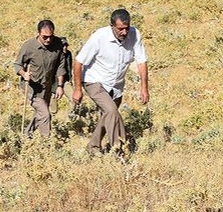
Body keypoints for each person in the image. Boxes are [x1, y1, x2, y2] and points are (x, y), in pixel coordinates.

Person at [73, 9, 149, 155]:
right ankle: (120, 151)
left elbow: (141, 61)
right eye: (120, 29)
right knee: (112, 111)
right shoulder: (99, 37)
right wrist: (78, 89)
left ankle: (93, 147)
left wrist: (144, 88)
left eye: (127, 28)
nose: (124, 32)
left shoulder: (135, 34)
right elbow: (78, 62)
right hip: (94, 81)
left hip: (116, 85)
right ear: (112, 26)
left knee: (108, 115)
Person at [15, 20, 66, 137]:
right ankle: (46, 144)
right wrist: (24, 74)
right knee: (45, 114)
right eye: (45, 37)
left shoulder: (57, 44)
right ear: (38, 33)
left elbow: (60, 66)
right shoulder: (29, 46)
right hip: (32, 88)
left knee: (41, 113)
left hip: (47, 86)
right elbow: (17, 65)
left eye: (50, 36)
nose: (48, 40)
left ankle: (26, 135)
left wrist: (60, 86)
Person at [50, 37, 73, 114]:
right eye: (63, 46)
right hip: (54, 83)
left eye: (66, 45)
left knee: (73, 97)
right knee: (53, 107)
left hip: (65, 81)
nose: (65, 47)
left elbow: (69, 67)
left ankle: (71, 114)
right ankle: (52, 119)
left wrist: (70, 79)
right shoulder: (54, 54)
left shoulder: (68, 54)